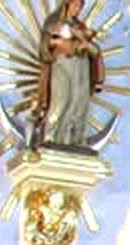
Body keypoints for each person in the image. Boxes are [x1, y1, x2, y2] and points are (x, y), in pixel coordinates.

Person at [36, 0, 104, 147]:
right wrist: (65, 44)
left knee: (80, 102)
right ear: (66, 4)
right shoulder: (54, 23)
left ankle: (76, 141)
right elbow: (46, 46)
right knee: (62, 100)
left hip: (81, 67)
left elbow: (94, 49)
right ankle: (52, 138)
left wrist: (86, 46)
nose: (77, 9)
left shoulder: (80, 27)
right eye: (75, 5)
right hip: (62, 65)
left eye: (80, 6)